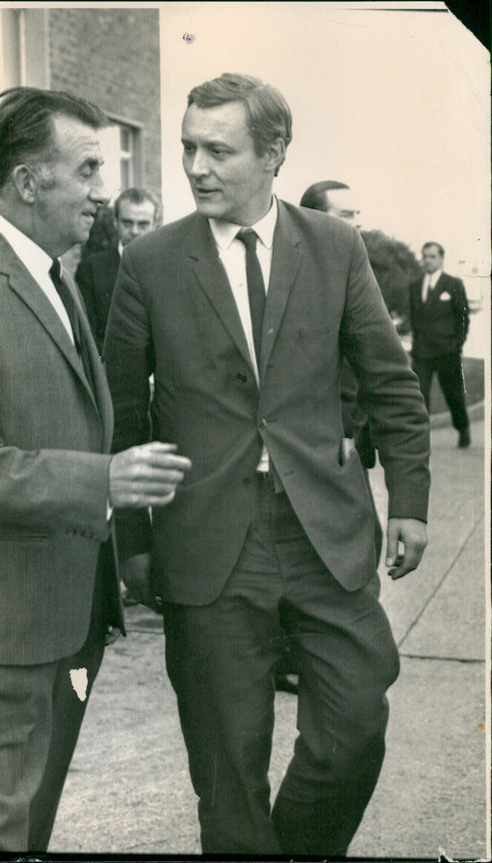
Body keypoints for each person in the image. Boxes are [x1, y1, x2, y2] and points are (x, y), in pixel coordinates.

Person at [104, 73, 430, 856]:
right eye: (188, 147)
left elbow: (389, 381)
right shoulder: (149, 261)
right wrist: (136, 539)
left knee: (354, 721)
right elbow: (123, 415)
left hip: (323, 528)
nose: (195, 166)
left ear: (274, 154)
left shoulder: (334, 246)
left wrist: (411, 500)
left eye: (219, 149)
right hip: (208, 540)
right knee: (227, 765)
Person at [0, 86, 189, 852]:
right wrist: (105, 481)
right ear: (28, 182)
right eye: (88, 169)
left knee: (23, 833)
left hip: (60, 626)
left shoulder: (52, 277)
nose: (101, 191)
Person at [76, 188, 160, 351]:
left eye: (143, 224)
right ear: (115, 221)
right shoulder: (91, 269)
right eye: (127, 223)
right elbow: (87, 334)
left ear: (155, 225)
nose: (135, 231)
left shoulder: (169, 271)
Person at [410, 241, 471, 447]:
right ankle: (420, 437)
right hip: (422, 353)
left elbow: (463, 318)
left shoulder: (453, 284)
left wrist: (457, 344)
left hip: (447, 352)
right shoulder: (415, 286)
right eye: (425, 256)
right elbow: (414, 318)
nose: (428, 260)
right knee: (419, 395)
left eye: (432, 256)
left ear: (441, 258)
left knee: (453, 395)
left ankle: (463, 429)